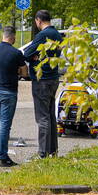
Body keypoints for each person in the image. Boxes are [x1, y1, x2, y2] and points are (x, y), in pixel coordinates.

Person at [22, 10, 63, 158]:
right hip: (54, 78)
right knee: (51, 115)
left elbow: (26, 53)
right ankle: (53, 150)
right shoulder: (57, 34)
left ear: (38, 20)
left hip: (42, 79)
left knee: (42, 117)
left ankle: (43, 153)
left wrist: (34, 56)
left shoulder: (42, 35)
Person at [0, 26, 28, 167]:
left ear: (2, 35)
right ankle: (3, 157)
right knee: (5, 124)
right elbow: (24, 73)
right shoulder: (16, 53)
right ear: (13, 37)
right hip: (8, 92)